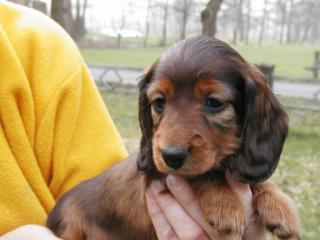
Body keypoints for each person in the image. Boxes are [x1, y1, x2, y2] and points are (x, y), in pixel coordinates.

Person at [0, 2, 265, 239]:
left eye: (213, 103)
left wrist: (260, 192)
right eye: (159, 103)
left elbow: (110, 188)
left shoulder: (37, 48)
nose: (172, 142)